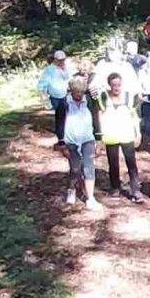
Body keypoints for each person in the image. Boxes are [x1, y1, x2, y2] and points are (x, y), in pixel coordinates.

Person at [55, 76, 103, 211]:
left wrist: (99, 139)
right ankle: (71, 189)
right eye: (76, 92)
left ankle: (90, 198)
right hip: (70, 140)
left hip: (87, 138)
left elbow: (95, 119)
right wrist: (61, 143)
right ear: (71, 91)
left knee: (89, 167)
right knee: (75, 168)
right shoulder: (64, 103)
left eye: (81, 92)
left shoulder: (89, 100)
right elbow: (58, 123)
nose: (79, 95)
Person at [97, 73, 143, 203]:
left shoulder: (129, 97)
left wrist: (137, 133)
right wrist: (100, 136)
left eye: (118, 85)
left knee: (131, 163)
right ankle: (115, 187)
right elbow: (99, 116)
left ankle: (135, 190)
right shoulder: (103, 97)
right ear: (109, 85)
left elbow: (135, 116)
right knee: (113, 163)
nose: (116, 88)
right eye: (113, 85)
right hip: (110, 134)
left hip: (126, 133)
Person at [37, 50, 70, 147]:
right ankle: (61, 137)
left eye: (63, 60)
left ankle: (66, 137)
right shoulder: (49, 70)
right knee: (59, 117)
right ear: (55, 59)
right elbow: (42, 84)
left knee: (66, 116)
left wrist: (65, 71)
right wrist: (44, 98)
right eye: (60, 60)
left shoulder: (65, 68)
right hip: (55, 96)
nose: (61, 62)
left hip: (65, 95)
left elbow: (69, 79)